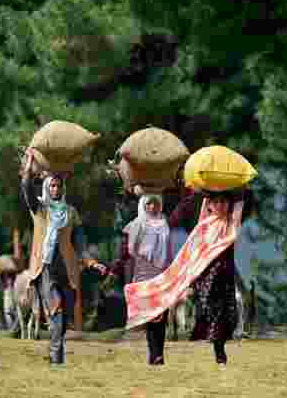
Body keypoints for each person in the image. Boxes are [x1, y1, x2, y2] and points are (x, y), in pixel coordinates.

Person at [123, 183, 255, 366]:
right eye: (216, 202)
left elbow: (237, 210)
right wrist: (203, 194)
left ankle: (219, 350)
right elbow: (200, 219)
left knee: (225, 316)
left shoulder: (230, 225)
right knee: (205, 310)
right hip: (204, 276)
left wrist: (240, 192)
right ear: (209, 205)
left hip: (223, 277)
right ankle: (159, 350)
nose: (221, 205)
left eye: (224, 202)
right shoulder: (204, 225)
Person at [20, 148, 108, 365]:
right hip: (45, 267)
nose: (56, 188)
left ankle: (54, 353)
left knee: (62, 315)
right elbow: (26, 188)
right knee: (57, 312)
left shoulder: (71, 212)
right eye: (52, 185)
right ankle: (56, 360)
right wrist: (29, 168)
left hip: (67, 270)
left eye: (59, 185)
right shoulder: (39, 209)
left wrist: (91, 262)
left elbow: (80, 243)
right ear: (46, 187)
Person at [107, 192, 187, 365]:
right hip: (143, 275)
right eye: (149, 204)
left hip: (162, 274)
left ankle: (158, 354)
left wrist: (188, 193)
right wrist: (113, 271)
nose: (152, 207)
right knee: (150, 316)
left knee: (162, 315)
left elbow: (179, 212)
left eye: (155, 204)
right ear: (143, 206)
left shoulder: (165, 223)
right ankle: (154, 353)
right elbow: (124, 252)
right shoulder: (135, 225)